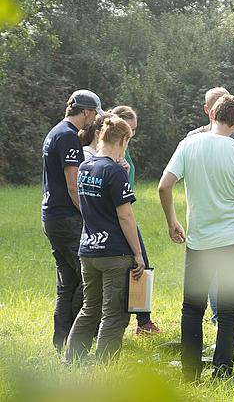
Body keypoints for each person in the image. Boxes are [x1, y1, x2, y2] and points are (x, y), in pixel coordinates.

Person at [158, 95, 234, 380]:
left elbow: (164, 186)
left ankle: (190, 374)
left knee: (192, 309)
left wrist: (172, 221)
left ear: (212, 114)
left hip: (199, 243)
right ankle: (222, 374)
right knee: (229, 313)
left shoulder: (188, 144)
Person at [65, 116, 145, 362]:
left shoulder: (86, 167)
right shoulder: (113, 172)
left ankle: (72, 359)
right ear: (123, 139)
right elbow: (125, 217)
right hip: (114, 253)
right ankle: (104, 365)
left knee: (90, 308)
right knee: (114, 313)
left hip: (88, 251)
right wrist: (139, 253)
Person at [187, 87, 234, 327]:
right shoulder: (193, 137)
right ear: (209, 111)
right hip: (208, 218)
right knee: (213, 272)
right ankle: (218, 316)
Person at [42, 89, 104, 352]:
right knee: (86, 279)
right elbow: (72, 185)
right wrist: (90, 215)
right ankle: (77, 343)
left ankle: (60, 341)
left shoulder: (54, 131)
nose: (93, 121)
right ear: (87, 112)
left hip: (51, 216)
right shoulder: (68, 136)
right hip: (67, 218)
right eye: (94, 115)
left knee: (67, 282)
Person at [110, 106, 160, 336]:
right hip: (117, 216)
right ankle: (142, 321)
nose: (130, 136)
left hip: (126, 210)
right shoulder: (113, 153)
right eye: (128, 130)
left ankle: (142, 320)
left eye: (134, 131)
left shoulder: (125, 151)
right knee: (140, 263)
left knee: (141, 265)